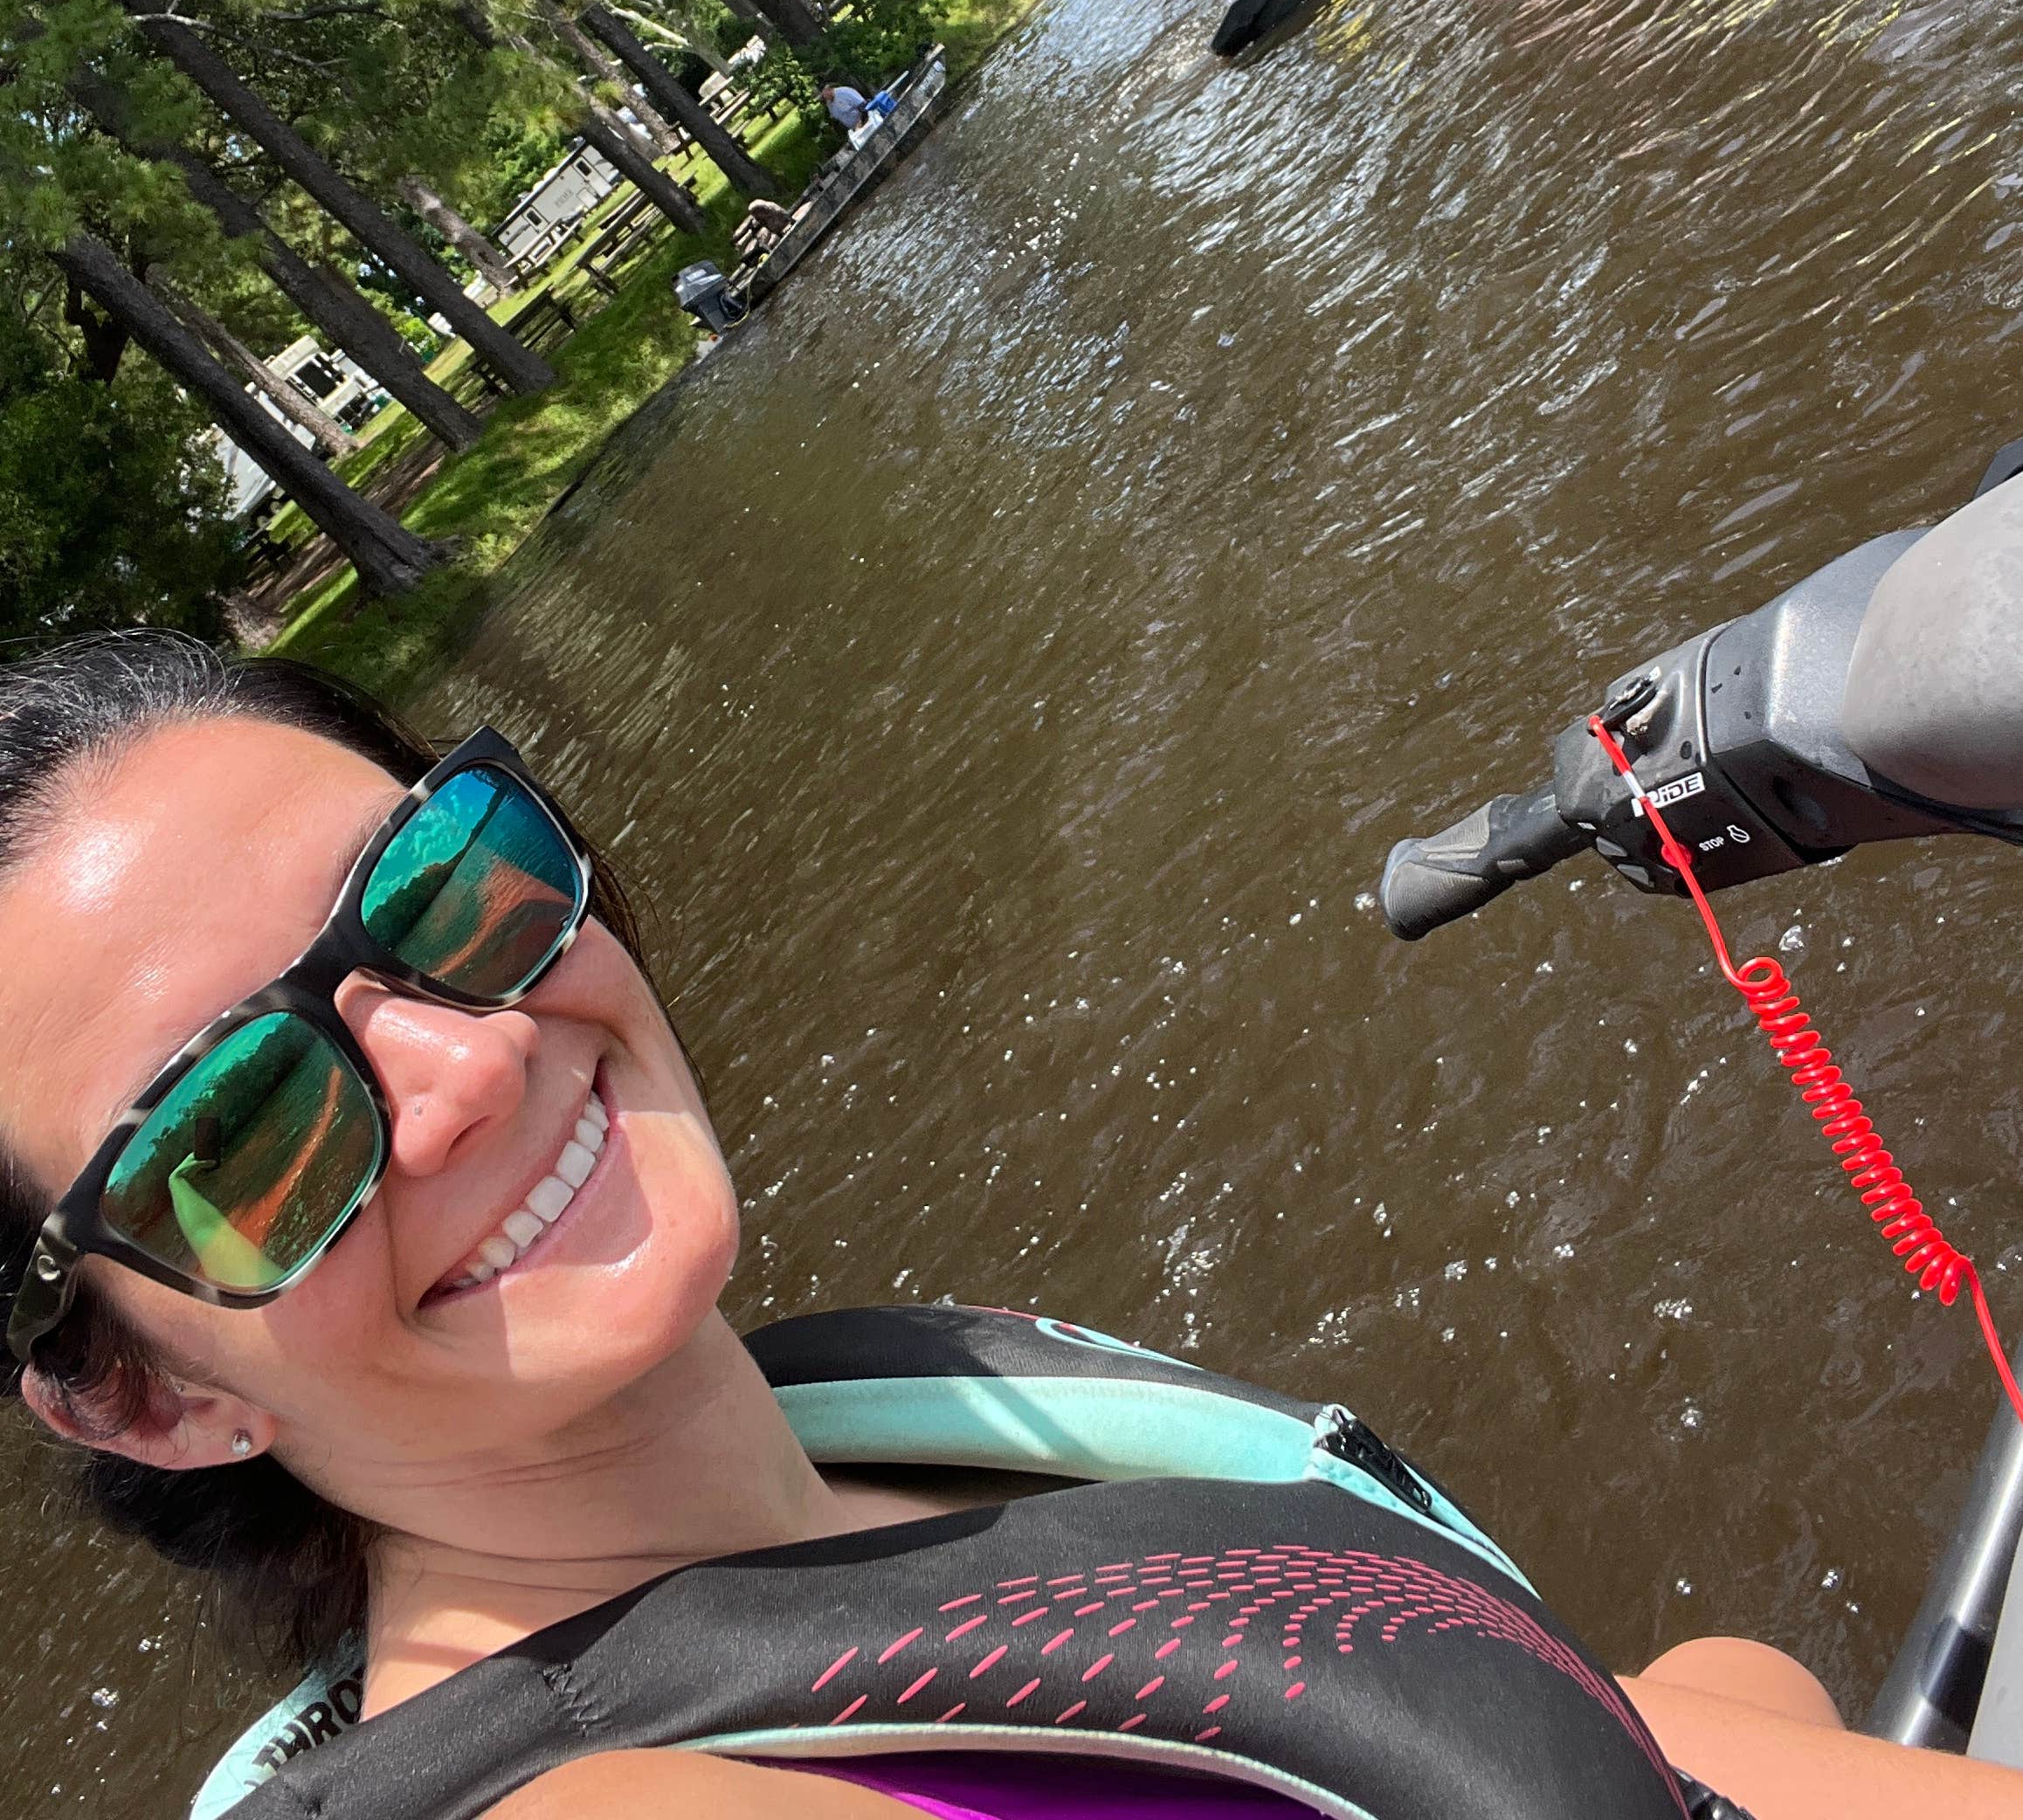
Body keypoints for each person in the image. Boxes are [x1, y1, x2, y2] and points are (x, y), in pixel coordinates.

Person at [2, 636, 2020, 1820]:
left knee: (1726, 1658)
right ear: (147, 1400)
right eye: (237, 1127)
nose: (456, 1068)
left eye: (438, 886)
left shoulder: (878, 1425)